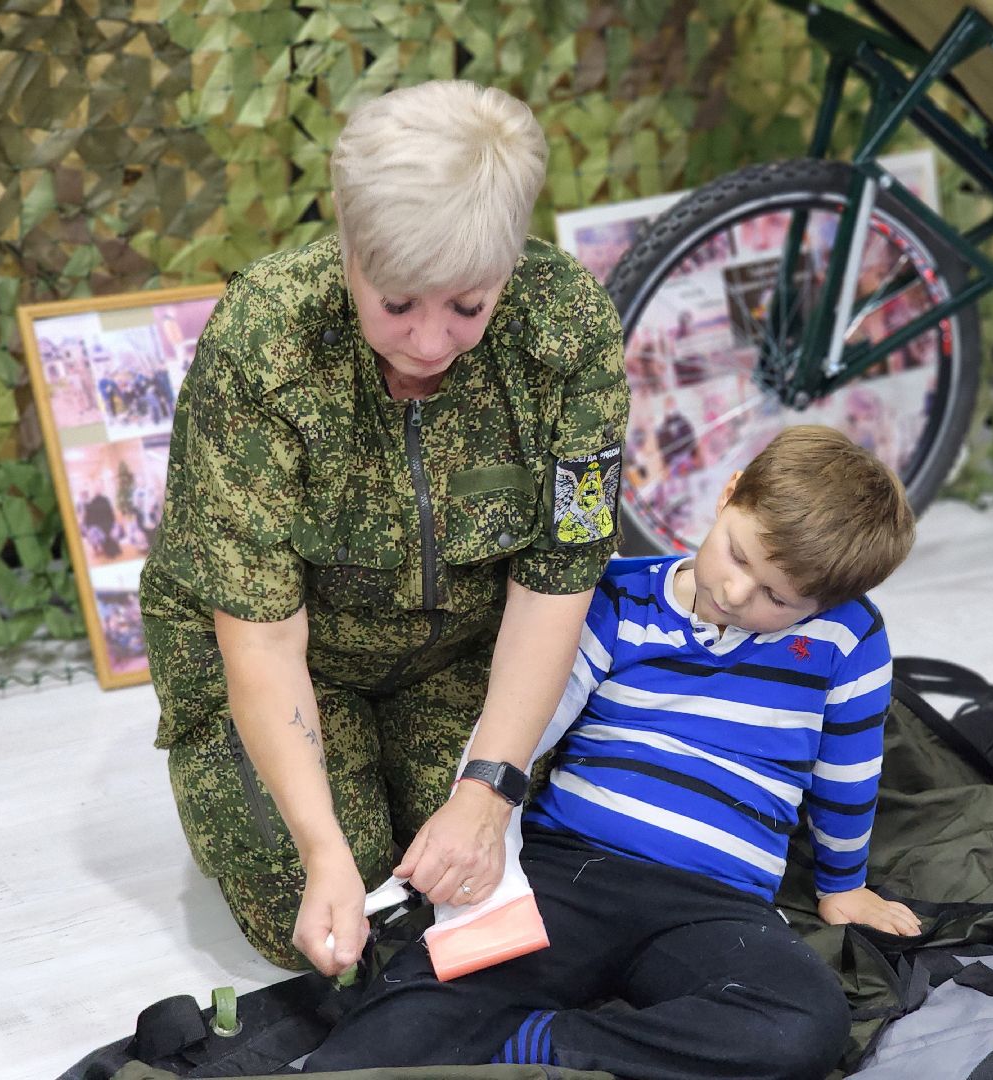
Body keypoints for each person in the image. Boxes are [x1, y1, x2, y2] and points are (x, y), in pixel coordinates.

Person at [137, 80, 630, 975]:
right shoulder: (265, 341)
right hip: (286, 657)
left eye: (468, 308)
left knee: (512, 879)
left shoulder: (567, 331)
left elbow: (560, 575)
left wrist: (488, 789)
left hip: (457, 654)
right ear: (352, 247)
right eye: (398, 303)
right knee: (328, 900)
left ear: (510, 266)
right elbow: (263, 634)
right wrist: (324, 851)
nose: (431, 343)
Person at [304, 425, 920, 1080]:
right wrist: (477, 819)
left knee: (804, 1027)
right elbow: (524, 724)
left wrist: (843, 885)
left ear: (828, 601)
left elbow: (848, 773)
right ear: (729, 494)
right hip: (569, 875)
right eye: (738, 557)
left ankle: (539, 1044)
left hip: (717, 903)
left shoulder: (850, 636)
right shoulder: (621, 596)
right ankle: (522, 1039)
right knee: (403, 1016)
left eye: (779, 598)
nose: (739, 595)